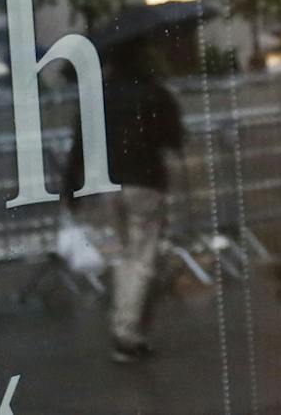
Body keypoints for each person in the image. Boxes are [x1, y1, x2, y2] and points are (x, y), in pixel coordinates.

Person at [66, 40, 185, 363]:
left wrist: (71, 187)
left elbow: (81, 142)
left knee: (122, 256)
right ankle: (127, 333)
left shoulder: (98, 95)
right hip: (145, 181)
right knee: (143, 257)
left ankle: (129, 327)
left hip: (107, 182)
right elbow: (174, 138)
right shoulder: (155, 92)